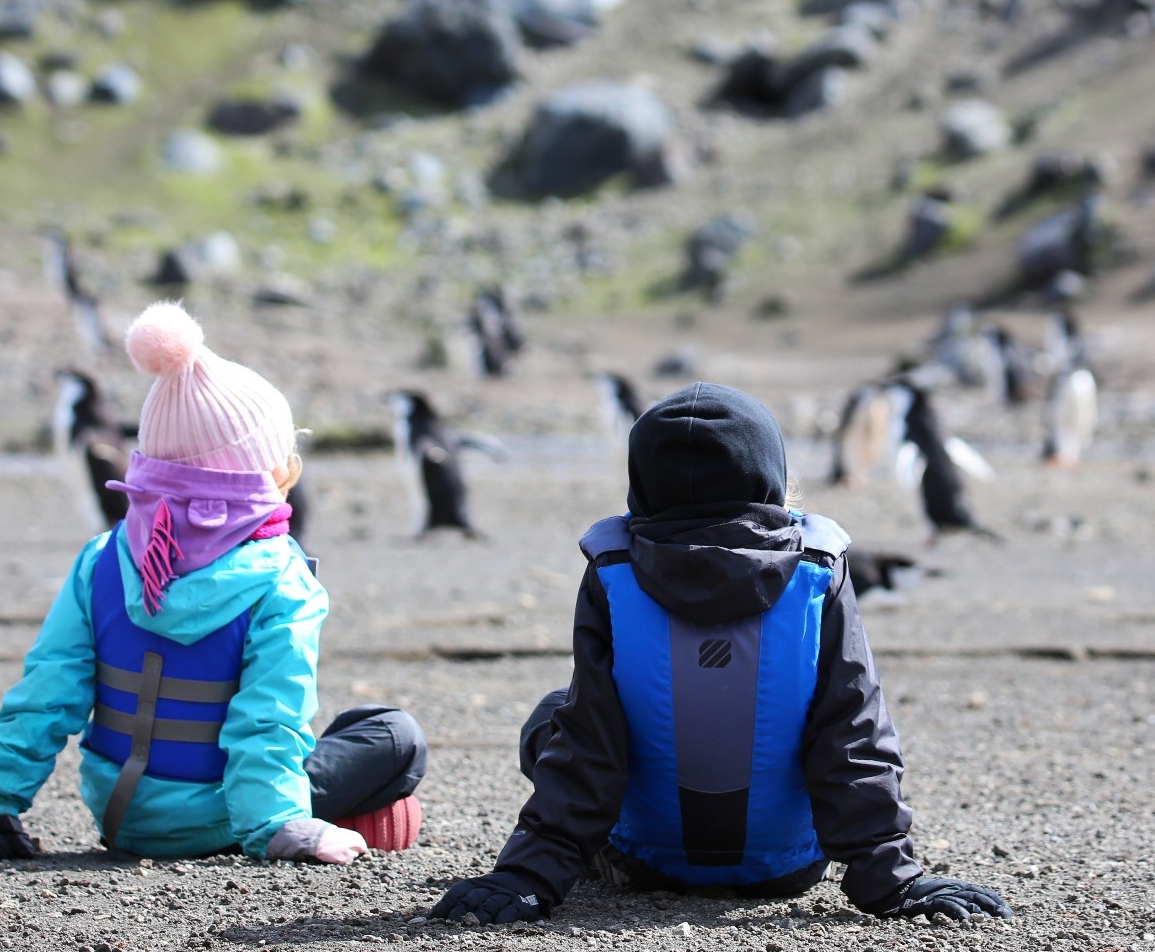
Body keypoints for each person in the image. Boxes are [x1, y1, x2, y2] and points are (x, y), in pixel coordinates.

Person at [432, 382, 1010, 923]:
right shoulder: (817, 570)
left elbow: (590, 741)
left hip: (645, 860)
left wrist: (526, 876)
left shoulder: (613, 573)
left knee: (555, 712)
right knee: (826, 704)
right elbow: (851, 735)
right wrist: (894, 879)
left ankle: (576, 856)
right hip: (785, 869)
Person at [0, 302, 424, 864]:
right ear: (272, 472)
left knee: (348, 727)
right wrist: (278, 827)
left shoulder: (102, 558)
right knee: (393, 735)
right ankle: (278, 813)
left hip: (121, 815)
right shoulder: (280, 579)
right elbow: (268, 718)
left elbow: (45, 696)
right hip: (219, 819)